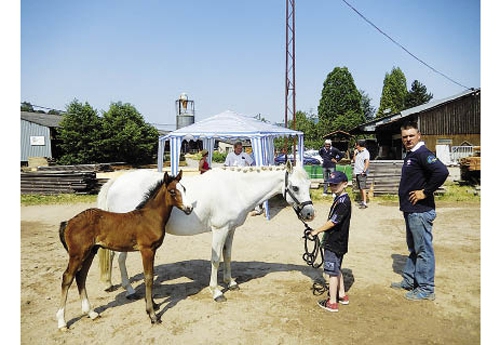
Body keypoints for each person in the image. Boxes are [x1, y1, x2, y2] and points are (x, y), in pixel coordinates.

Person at [391, 121, 449, 301]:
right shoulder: (412, 154)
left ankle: (426, 289)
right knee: (414, 248)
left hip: (420, 211)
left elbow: (442, 171)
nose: (408, 139)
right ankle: (410, 280)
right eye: (405, 137)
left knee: (423, 250)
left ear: (419, 135)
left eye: (411, 136)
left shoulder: (423, 153)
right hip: (411, 210)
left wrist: (425, 192)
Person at [309, 171, 352, 312]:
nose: (333, 187)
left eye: (336, 184)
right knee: (337, 268)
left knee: (332, 273)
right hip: (339, 241)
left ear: (345, 184)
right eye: (331, 184)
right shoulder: (340, 199)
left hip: (334, 242)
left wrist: (317, 231)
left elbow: (333, 222)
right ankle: (342, 295)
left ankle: (332, 302)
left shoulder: (343, 203)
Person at [352, 140, 370, 209]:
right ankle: (362, 201)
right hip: (357, 172)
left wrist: (364, 171)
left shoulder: (366, 152)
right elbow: (354, 160)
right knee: (360, 188)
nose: (355, 147)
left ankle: (365, 203)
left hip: (362, 173)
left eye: (356, 145)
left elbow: (367, 162)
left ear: (359, 145)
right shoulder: (358, 152)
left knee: (363, 188)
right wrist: (354, 154)